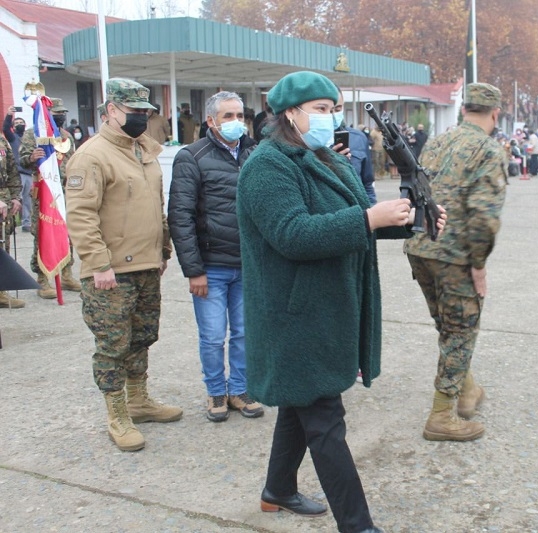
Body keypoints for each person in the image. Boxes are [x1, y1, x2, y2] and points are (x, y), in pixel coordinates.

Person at [237, 71, 443, 533]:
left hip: (323, 307)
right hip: (294, 315)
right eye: (322, 110)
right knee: (325, 420)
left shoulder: (325, 158)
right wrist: (370, 217)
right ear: (291, 113)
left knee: (302, 400)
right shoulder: (266, 166)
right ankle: (358, 525)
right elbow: (293, 234)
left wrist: (410, 219)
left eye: (334, 109)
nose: (332, 118)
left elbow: (351, 217)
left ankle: (277, 489)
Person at [65, 78, 182, 452]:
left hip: (145, 264)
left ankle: (139, 400)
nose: (141, 119)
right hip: (110, 271)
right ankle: (117, 414)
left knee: (142, 336)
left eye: (145, 113)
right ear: (111, 110)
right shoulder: (91, 156)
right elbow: (81, 216)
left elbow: (155, 207)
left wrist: (163, 250)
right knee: (113, 344)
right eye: (133, 113)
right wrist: (98, 264)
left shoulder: (145, 150)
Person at [404, 82, 507, 442]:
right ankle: (441, 415)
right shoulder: (489, 150)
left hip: (420, 246)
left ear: (464, 110)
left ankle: (467, 391)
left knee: (447, 327)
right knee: (460, 331)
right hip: (454, 254)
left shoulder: (437, 141)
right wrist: (478, 264)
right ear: (495, 114)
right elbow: (484, 215)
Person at [168, 91, 262, 423]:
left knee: (244, 332)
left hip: (247, 265)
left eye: (240, 116)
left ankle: (239, 389)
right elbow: (180, 217)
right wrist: (194, 270)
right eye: (228, 117)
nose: (237, 123)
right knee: (212, 336)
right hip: (211, 267)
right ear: (211, 121)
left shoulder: (256, 153)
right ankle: (216, 392)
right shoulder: (191, 157)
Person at [19, 97, 81, 298]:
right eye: (56, 114)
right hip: (44, 193)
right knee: (43, 232)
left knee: (66, 232)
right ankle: (43, 278)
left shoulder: (66, 136)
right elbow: (21, 162)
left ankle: (66, 273)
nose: (60, 117)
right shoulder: (32, 135)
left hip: (64, 192)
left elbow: (73, 162)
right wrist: (31, 157)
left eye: (62, 114)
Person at [333, 89, 377, 205]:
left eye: (337, 109)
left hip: (360, 212)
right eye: (324, 109)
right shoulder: (309, 141)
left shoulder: (358, 138)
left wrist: (372, 210)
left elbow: (367, 183)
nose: (332, 114)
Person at [0, 131, 24, 308]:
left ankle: (1, 290)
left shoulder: (2, 140)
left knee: (3, 245)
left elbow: (12, 169)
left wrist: (16, 196)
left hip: (5, 199)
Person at [3, 107, 33, 232]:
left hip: (29, 172)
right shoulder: (13, 137)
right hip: (18, 173)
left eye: (21, 123)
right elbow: (5, 129)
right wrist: (9, 115)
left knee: (28, 200)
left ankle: (27, 223)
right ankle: (12, 223)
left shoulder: (29, 138)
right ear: (13, 127)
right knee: (16, 199)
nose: (19, 125)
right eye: (17, 123)